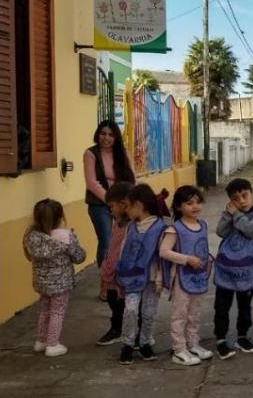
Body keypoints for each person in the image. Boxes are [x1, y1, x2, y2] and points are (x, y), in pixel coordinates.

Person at [24, 199, 87, 357]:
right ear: (60, 217)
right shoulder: (65, 236)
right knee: (57, 312)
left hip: (42, 284)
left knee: (44, 311)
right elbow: (79, 257)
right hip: (61, 284)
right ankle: (52, 344)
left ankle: (41, 341)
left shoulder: (32, 236)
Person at [213, 178, 253, 360]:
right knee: (222, 306)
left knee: (245, 305)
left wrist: (236, 214)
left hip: (247, 271)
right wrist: (229, 215)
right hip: (226, 269)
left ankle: (242, 336)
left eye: (245, 196)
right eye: (236, 198)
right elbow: (221, 232)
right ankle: (221, 339)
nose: (242, 201)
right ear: (230, 201)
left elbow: (252, 231)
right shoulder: (229, 214)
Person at [160, 185, 214, 366]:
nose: (195, 206)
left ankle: (193, 344)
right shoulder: (175, 229)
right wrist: (187, 259)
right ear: (178, 207)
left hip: (198, 278)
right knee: (180, 314)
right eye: (189, 203)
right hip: (181, 279)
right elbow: (164, 251)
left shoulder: (203, 225)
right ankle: (179, 349)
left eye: (198, 202)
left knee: (195, 313)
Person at [116, 184, 167, 365]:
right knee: (130, 310)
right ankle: (128, 344)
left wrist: (161, 278)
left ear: (139, 205)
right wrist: (119, 274)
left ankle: (145, 342)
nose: (126, 210)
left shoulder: (160, 227)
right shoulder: (131, 227)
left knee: (149, 313)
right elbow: (123, 251)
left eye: (128, 206)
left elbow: (163, 255)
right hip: (132, 276)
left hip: (152, 277)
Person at [84, 120, 136, 270]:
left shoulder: (124, 153)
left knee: (125, 240)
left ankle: (120, 277)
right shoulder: (90, 154)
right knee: (106, 242)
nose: (106, 138)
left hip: (123, 204)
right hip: (100, 204)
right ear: (98, 134)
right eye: (103, 133)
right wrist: (110, 201)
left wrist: (130, 201)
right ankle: (105, 280)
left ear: (116, 137)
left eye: (111, 135)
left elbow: (132, 179)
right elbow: (92, 183)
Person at [95, 182, 139, 347]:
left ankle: (130, 332)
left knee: (128, 305)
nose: (110, 209)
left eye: (111, 206)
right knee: (113, 301)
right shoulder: (117, 222)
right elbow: (111, 247)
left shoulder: (133, 226)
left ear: (123, 204)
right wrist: (105, 266)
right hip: (111, 272)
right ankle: (117, 329)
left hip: (125, 273)